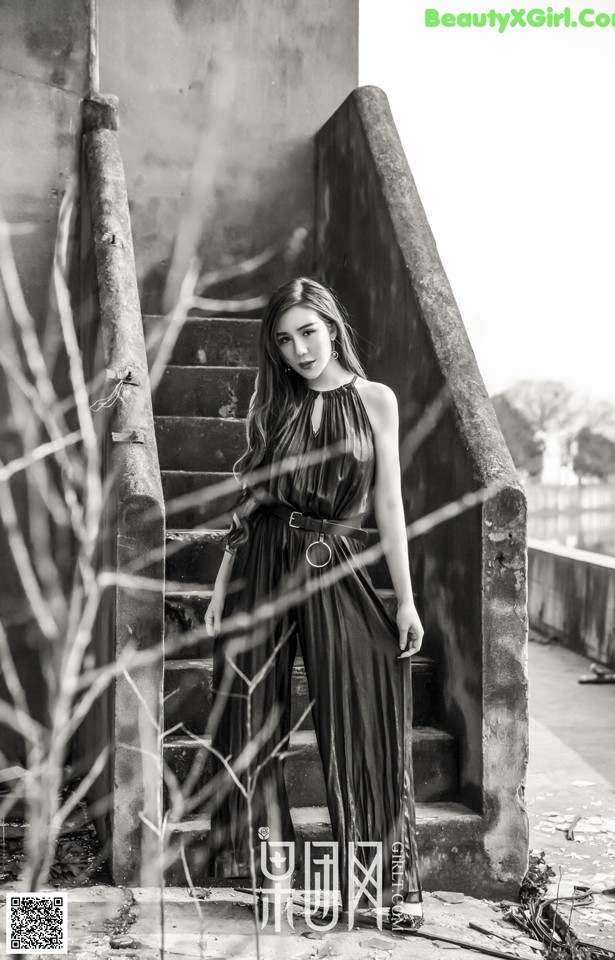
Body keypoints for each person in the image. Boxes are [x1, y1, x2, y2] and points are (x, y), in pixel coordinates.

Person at [204, 277, 425, 929]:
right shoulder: (274, 405)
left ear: (331, 325)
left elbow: (389, 505)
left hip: (337, 564)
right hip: (265, 560)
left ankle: (387, 883)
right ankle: (269, 880)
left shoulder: (374, 401)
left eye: (307, 331)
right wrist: (222, 583)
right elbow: (251, 502)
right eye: (284, 339)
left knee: (366, 712)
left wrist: (405, 602)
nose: (299, 349)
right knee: (257, 719)